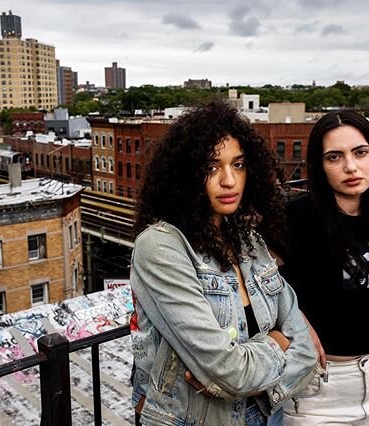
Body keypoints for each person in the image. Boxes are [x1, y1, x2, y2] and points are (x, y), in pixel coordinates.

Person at [129, 101, 317, 425]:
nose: (229, 181)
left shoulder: (248, 241)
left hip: (266, 416)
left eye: (239, 165)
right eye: (212, 167)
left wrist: (244, 381)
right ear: (185, 175)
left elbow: (307, 351)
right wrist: (276, 342)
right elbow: (231, 372)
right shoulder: (161, 247)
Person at [273, 110, 369, 425]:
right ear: (320, 167)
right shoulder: (295, 219)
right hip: (319, 391)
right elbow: (255, 282)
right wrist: (298, 322)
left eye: (360, 152)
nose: (351, 166)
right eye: (334, 157)